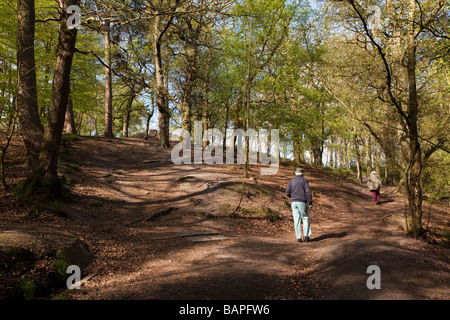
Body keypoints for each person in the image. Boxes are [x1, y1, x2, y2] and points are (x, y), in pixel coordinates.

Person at [286, 168, 313, 243]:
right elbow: (308, 192)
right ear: (302, 174)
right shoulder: (304, 181)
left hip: (294, 202)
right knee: (305, 218)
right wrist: (310, 202)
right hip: (302, 201)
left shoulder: (291, 181)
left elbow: (287, 192)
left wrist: (292, 198)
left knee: (296, 220)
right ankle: (306, 236)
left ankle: (298, 238)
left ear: (295, 173)